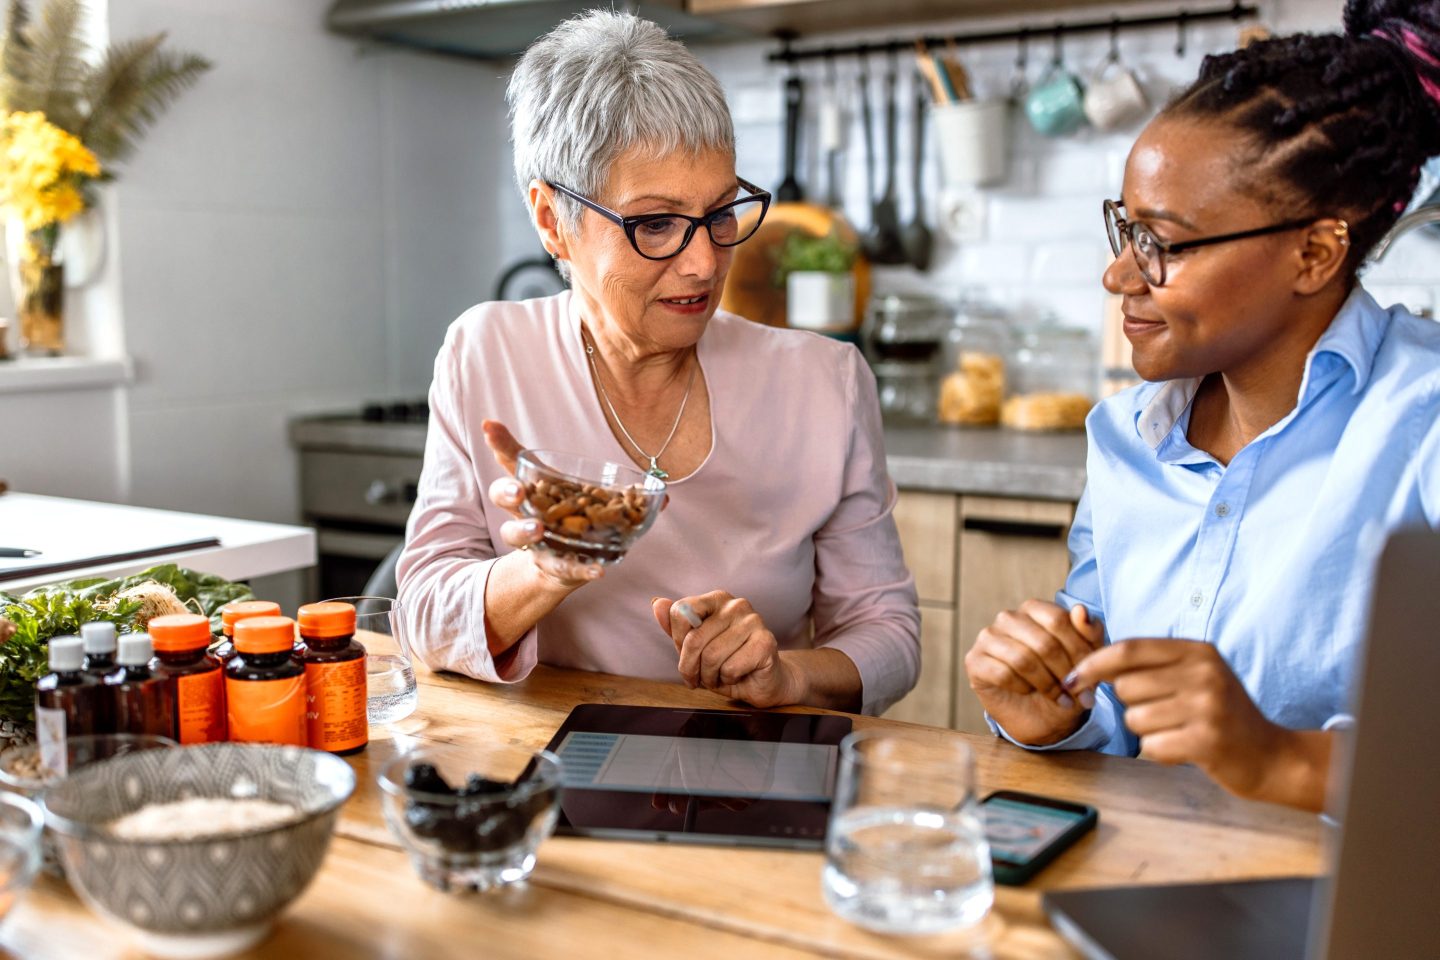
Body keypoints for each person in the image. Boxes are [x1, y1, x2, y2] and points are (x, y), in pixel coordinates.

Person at [965, 0, 1440, 811]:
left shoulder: (1421, 423)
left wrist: (1284, 760)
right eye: (1125, 229)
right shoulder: (1124, 437)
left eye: (1166, 243)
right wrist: (1056, 717)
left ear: (1315, 253)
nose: (1118, 276)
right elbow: (1116, 721)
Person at [396, 11, 920, 716]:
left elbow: (890, 636)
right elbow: (420, 616)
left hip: (756, 768)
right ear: (552, 221)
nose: (704, 263)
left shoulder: (824, 383)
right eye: (655, 224)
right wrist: (543, 569)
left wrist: (788, 675)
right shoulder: (487, 353)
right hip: (549, 767)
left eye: (721, 213)